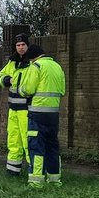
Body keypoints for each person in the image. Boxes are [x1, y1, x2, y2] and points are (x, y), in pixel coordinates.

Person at [18, 41, 66, 189]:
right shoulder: (57, 66)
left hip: (37, 113)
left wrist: (21, 89)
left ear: (33, 58)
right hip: (53, 114)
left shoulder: (36, 66)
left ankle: (35, 182)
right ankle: (54, 180)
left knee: (36, 147)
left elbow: (28, 89)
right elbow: (62, 90)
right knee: (52, 147)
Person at [0, 33, 31, 175]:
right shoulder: (12, 62)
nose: (21, 48)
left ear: (27, 46)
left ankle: (34, 171)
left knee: (28, 141)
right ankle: (12, 172)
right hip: (13, 109)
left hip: (26, 109)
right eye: (18, 45)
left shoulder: (32, 62)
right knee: (13, 141)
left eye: (23, 45)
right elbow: (1, 76)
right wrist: (6, 80)